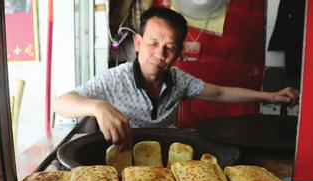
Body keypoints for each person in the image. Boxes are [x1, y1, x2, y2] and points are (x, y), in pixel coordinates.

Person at [53, 7, 299, 151]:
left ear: (179, 53)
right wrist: (98, 106)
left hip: (168, 159)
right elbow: (60, 103)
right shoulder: (115, 79)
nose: (160, 54)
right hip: (125, 159)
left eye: (169, 47)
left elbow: (220, 93)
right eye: (153, 43)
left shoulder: (179, 80)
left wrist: (271, 96)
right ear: (138, 43)